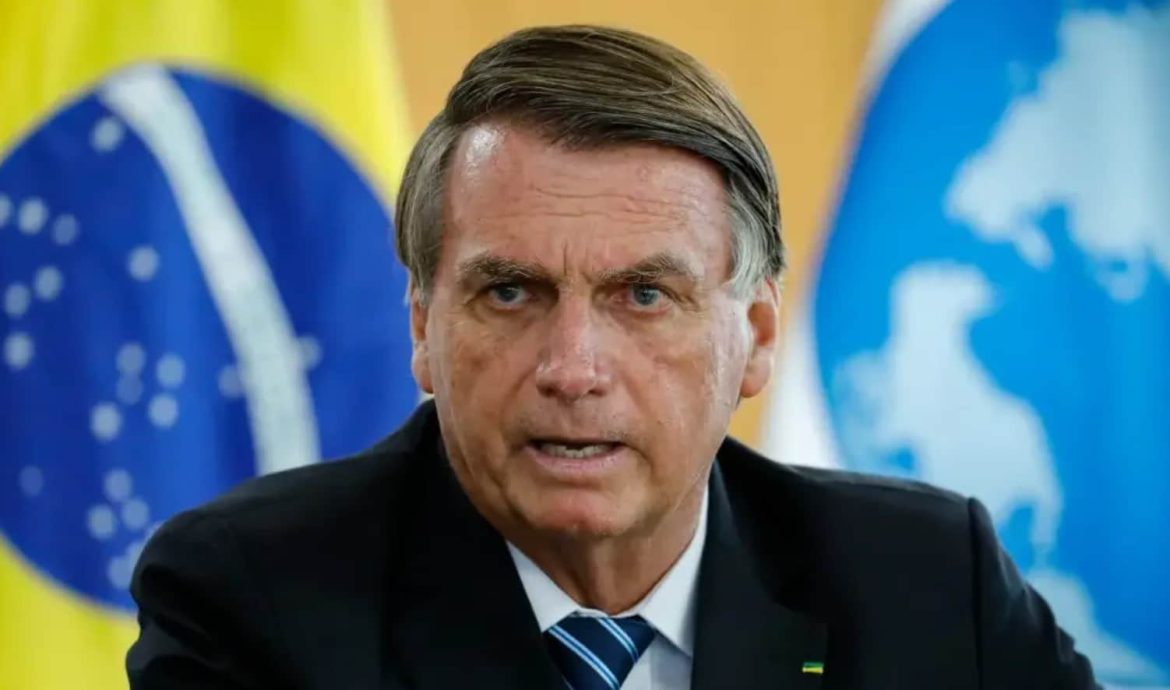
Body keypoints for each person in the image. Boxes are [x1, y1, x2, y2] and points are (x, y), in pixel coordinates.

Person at [126, 25, 1099, 689]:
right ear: (423, 328)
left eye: (644, 296)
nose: (573, 368)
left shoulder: (927, 585)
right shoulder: (252, 598)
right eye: (511, 293)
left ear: (756, 338)